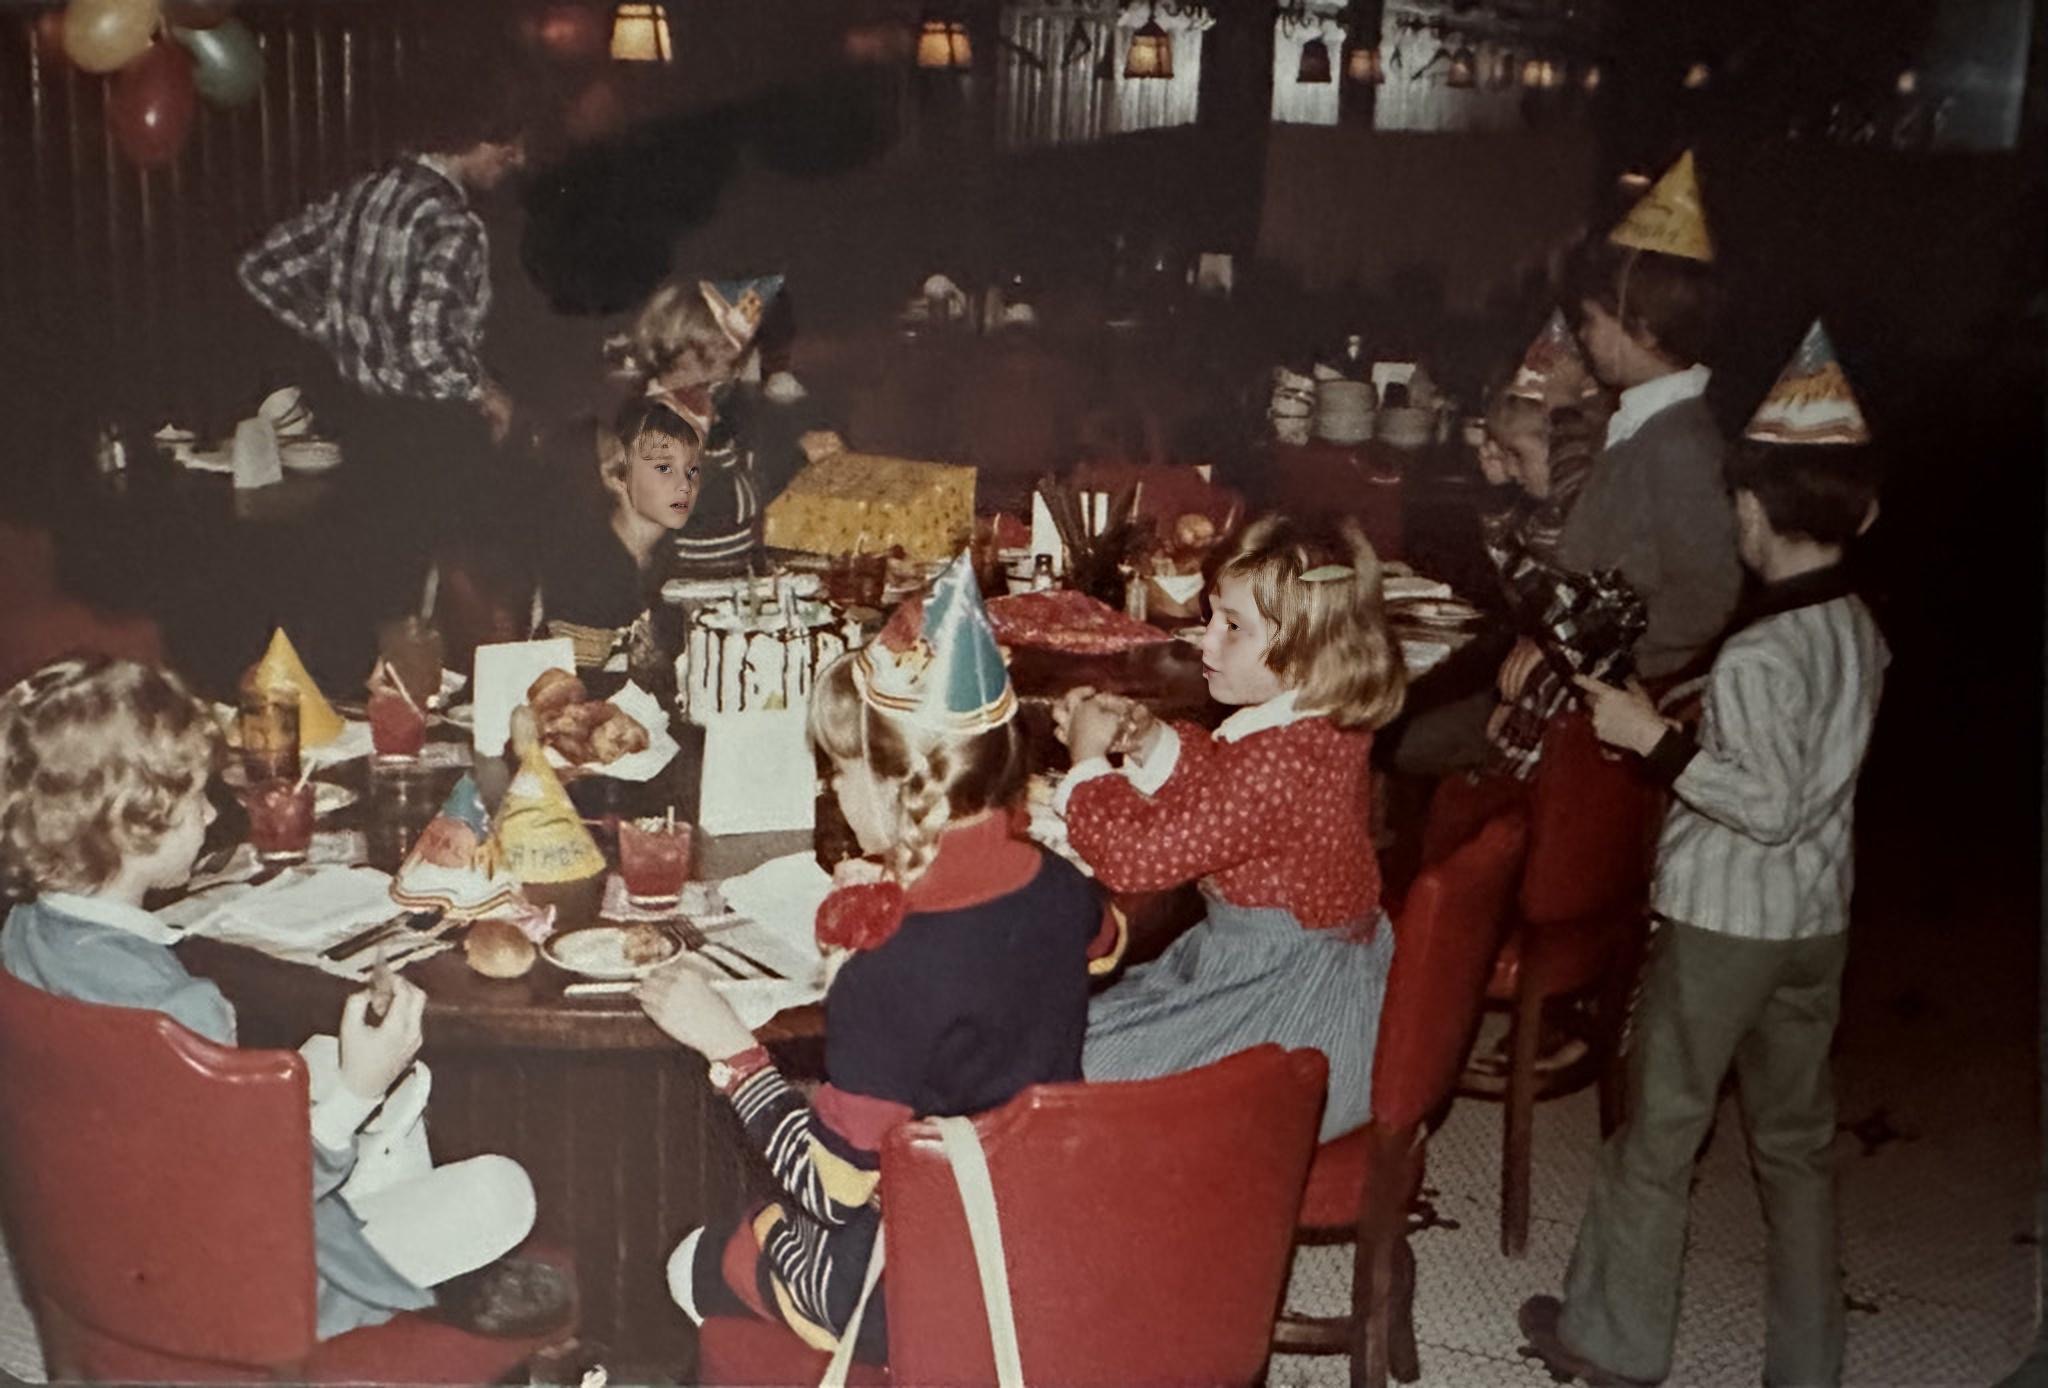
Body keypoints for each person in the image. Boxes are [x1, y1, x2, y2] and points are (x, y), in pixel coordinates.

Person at [1518, 335, 1886, 1388]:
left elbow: (1764, 806)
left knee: (1658, 1133)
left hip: (1727, 921)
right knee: (1795, 1145)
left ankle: (1612, 1341)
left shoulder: (1759, 651)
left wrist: (1653, 740)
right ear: (1862, 516)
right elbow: (1801, 776)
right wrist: (1684, 721)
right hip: (1814, 923)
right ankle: (1807, 1363)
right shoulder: (1856, 628)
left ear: (1750, 511)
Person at [0, 656, 563, 1340]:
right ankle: (393, 1297)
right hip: (233, 1296)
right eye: (195, 800)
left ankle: (389, 1227)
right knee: (501, 1190)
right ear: (132, 824)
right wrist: (356, 1092)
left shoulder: (20, 937)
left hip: (103, 1252)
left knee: (329, 1061)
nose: (213, 812)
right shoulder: (178, 1015)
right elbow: (252, 1202)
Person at [640, 556, 1116, 1363]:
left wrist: (733, 1053)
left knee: (698, 1257)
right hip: (1039, 1243)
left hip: (917, 1286)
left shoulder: (885, 967)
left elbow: (833, 1186)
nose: (832, 788)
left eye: (840, 769)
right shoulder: (1059, 885)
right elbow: (1104, 946)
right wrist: (910, 880)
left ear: (901, 786)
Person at [1054, 514, 1406, 1142]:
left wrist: (1086, 764)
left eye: (1234, 628)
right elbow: (1226, 791)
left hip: (1288, 1001)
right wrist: (1148, 739)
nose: (1206, 644)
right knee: (1077, 1030)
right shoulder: (1307, 725)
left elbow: (1136, 859)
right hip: (1273, 961)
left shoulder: (1283, 761)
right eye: (1211, 617)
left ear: (1309, 645)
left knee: (1080, 1071)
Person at [236, 76, 531, 676]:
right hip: (433, 433)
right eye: (509, 147)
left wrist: (336, 326)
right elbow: (426, 344)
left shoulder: (363, 194)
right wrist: (487, 392)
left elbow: (262, 267)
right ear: (474, 138)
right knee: (445, 601)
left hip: (364, 422)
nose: (519, 160)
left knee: (372, 587)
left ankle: (368, 702)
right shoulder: (453, 225)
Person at [606, 274, 785, 578]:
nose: (726, 369)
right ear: (672, 348)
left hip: (733, 582)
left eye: (733, 354)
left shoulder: (718, 409)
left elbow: (743, 499)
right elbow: (640, 538)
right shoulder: (653, 422)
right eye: (712, 352)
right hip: (680, 589)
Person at [534, 391, 705, 678]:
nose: (684, 485)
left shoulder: (677, 556)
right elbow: (576, 681)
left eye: (691, 469)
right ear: (616, 477)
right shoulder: (583, 568)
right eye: (664, 468)